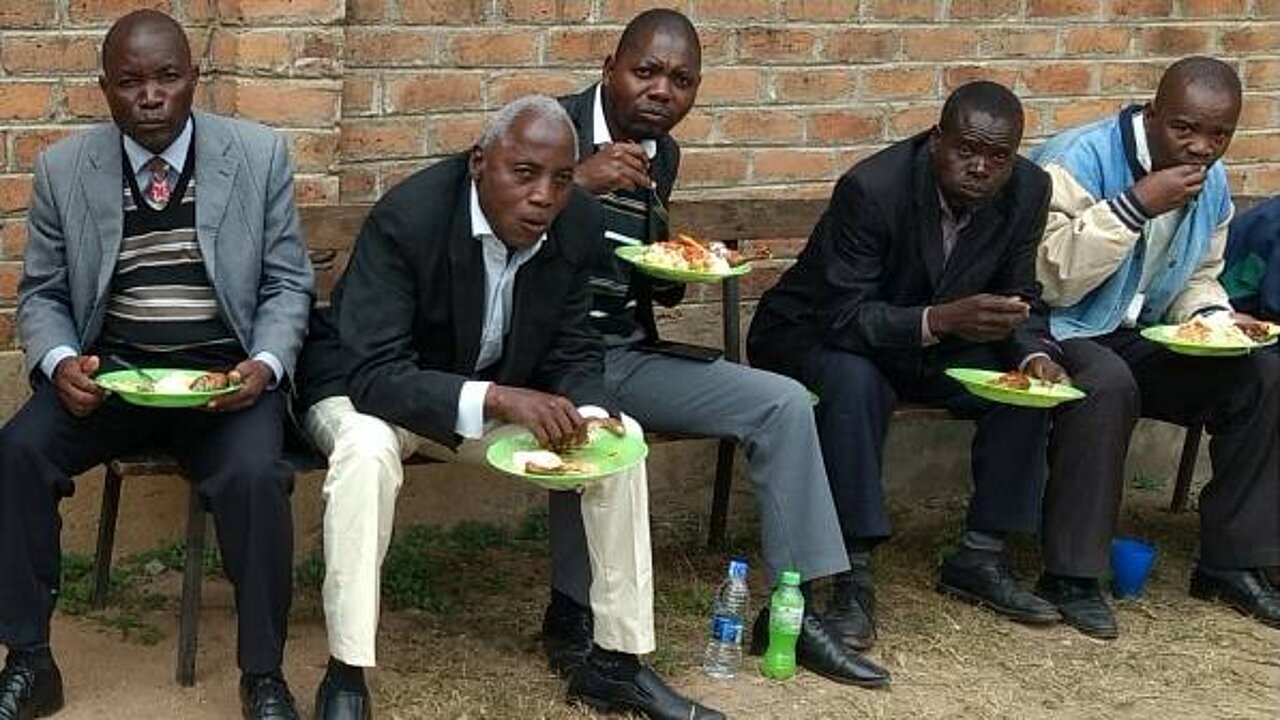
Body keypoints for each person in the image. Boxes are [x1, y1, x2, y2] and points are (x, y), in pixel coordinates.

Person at [295, 95, 720, 720]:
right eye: (524, 173)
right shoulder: (410, 217)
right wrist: (499, 397)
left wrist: (591, 413)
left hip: (481, 397)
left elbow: (575, 347)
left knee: (619, 441)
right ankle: (346, 674)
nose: (544, 196)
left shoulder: (574, 222)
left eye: (562, 179)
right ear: (479, 163)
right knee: (365, 452)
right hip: (368, 393)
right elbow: (375, 373)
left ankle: (616, 663)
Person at [547, 8, 890, 689]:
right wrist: (576, 182)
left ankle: (793, 611)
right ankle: (571, 614)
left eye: (681, 80)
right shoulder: (548, 129)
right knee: (594, 423)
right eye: (645, 72)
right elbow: (485, 227)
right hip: (541, 359)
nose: (661, 91)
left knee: (783, 403)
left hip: (625, 352)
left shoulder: (662, 154)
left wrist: (684, 263)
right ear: (609, 70)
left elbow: (640, 266)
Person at [0, 10, 313, 720]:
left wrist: (264, 365)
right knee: (17, 452)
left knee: (256, 477)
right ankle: (29, 660)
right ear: (104, 89)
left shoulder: (258, 155)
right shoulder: (62, 169)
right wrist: (60, 362)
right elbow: (42, 292)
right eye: (130, 82)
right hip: (111, 377)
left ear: (193, 78)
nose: (150, 96)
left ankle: (264, 676)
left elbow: (287, 284)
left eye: (167, 77)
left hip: (221, 382)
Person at [748, 81, 1067, 642]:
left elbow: (1020, 296)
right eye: (966, 150)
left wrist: (1036, 353)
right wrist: (939, 319)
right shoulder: (874, 188)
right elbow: (842, 314)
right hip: (817, 332)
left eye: (998, 157)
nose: (980, 168)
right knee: (854, 381)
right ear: (937, 139)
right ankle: (851, 574)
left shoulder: (1028, 190)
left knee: (1020, 388)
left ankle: (979, 557)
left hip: (934, 340)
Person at [1032, 56, 1280, 638]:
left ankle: (1231, 563)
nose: (1201, 147)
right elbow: (1047, 279)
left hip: (1137, 331)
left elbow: (1199, 273)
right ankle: (1071, 575)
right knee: (1106, 383)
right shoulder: (1078, 159)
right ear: (1152, 114)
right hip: (1056, 328)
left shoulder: (1211, 180)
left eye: (1219, 134)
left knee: (1263, 377)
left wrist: (1214, 319)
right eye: (1184, 128)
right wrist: (1134, 205)